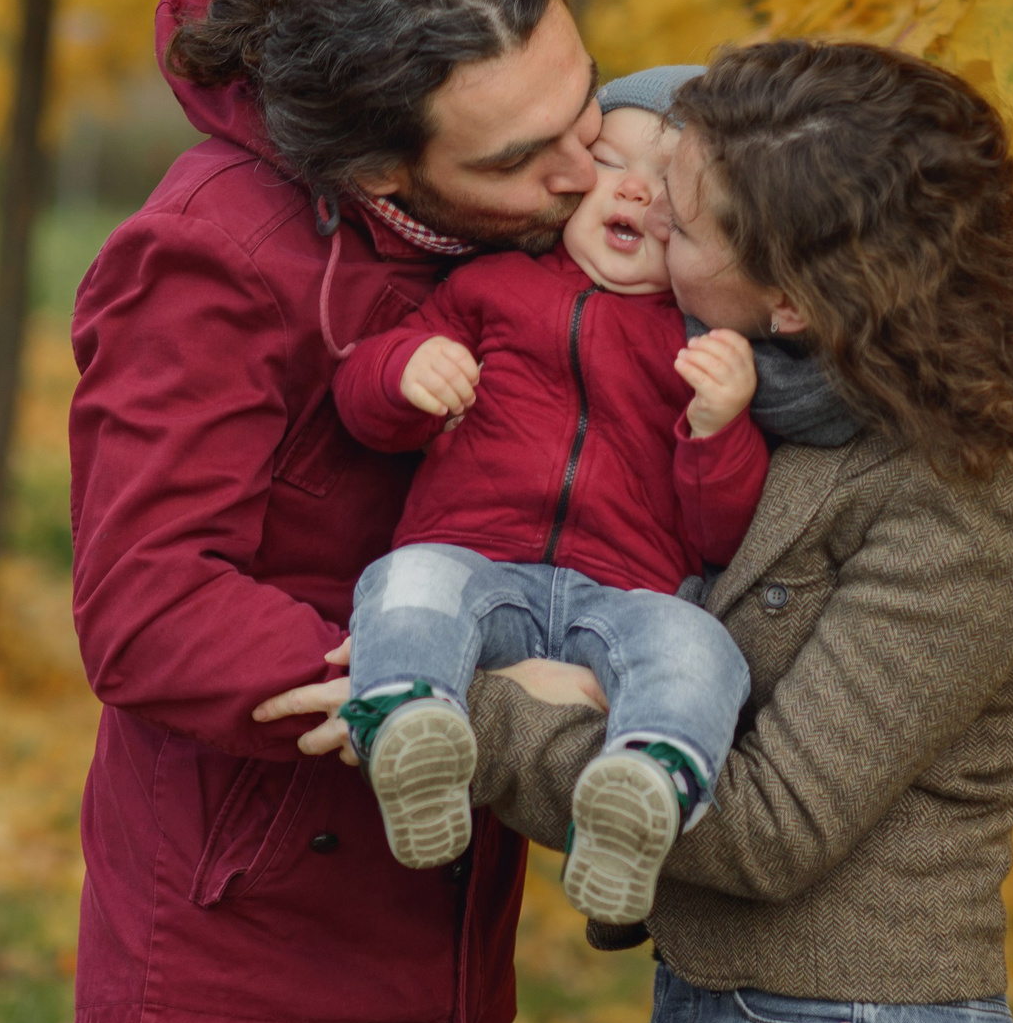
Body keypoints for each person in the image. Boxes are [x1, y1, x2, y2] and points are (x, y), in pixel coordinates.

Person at [466, 40, 1013, 1023]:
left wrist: (504, 716)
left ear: (796, 296)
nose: (651, 213)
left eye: (690, 219)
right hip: (748, 1015)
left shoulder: (971, 494)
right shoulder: (786, 402)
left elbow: (772, 823)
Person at [65, 0, 607, 1023]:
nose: (586, 172)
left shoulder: (531, 229)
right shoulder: (216, 261)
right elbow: (150, 606)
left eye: (584, 103)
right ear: (380, 173)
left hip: (445, 976)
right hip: (239, 977)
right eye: (526, 155)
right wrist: (441, 697)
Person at [329, 94, 769, 924]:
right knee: (408, 580)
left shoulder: (696, 345)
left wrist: (719, 429)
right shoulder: (486, 286)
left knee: (698, 641)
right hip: (474, 560)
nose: (635, 190)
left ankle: (644, 787)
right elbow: (361, 403)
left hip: (623, 595)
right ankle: (406, 723)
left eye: (667, 185)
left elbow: (723, 537)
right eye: (610, 164)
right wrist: (406, 370)